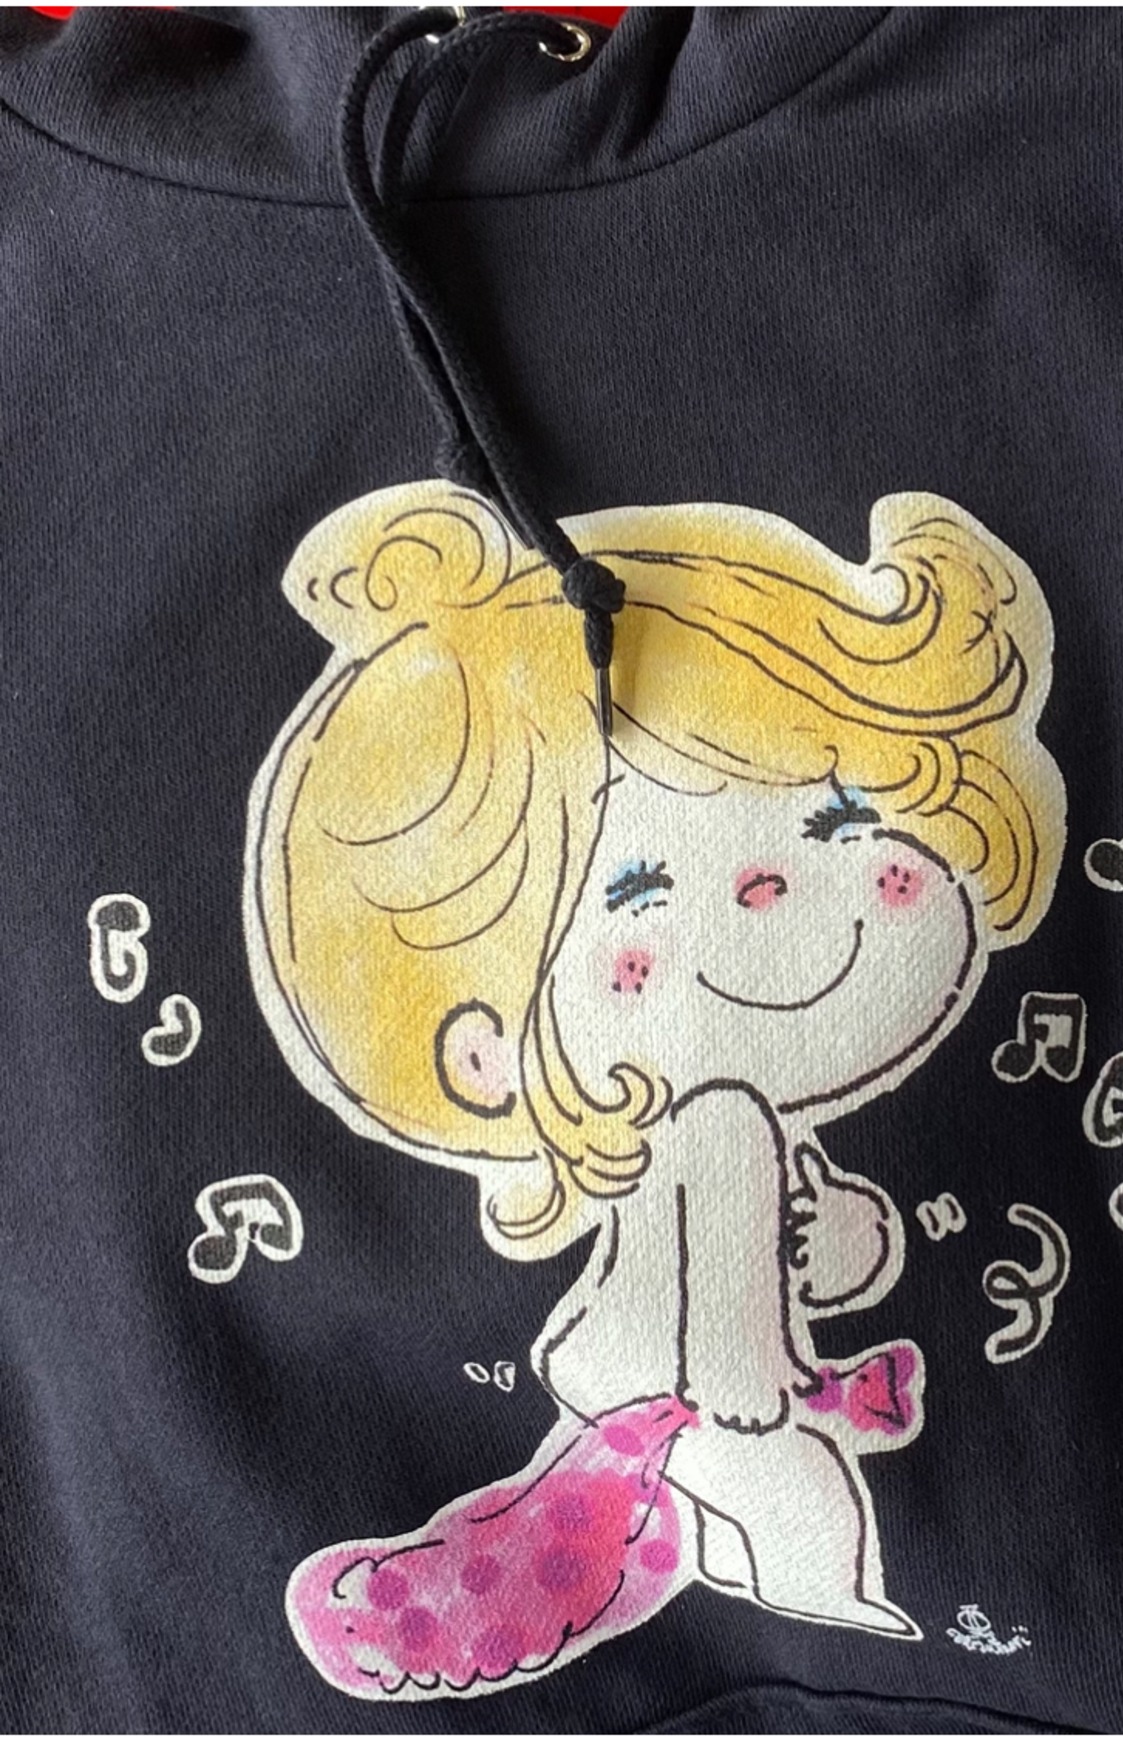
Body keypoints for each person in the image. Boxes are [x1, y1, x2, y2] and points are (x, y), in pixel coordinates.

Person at [246, 479, 1065, 1698]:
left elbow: (817, 1257)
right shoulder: (713, 1121)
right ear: (481, 1051)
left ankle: (651, 1571)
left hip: (713, 1394)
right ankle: (759, 1593)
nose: (762, 893)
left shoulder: (745, 1121)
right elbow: (727, 1321)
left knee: (745, 1536)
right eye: (639, 890)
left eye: (835, 817)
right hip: (696, 1400)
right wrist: (747, 1412)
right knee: (800, 1517)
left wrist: (839, 1238)